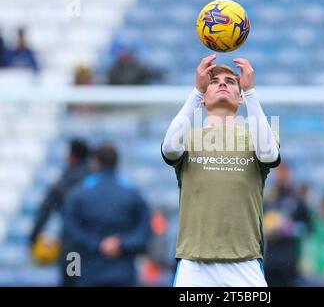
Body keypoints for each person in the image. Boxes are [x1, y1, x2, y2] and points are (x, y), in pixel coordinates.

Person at [161, 54, 281, 287]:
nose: (223, 83)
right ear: (204, 98)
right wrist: (196, 91)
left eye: (231, 81)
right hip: (194, 265)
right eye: (214, 82)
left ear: (241, 97)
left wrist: (252, 92)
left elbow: (269, 154)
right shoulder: (189, 138)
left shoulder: (256, 137)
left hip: (244, 264)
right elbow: (169, 148)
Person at [64, 144, 151, 286]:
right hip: (123, 273)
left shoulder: (80, 192)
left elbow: (70, 229)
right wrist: (122, 243)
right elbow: (144, 229)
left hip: (89, 273)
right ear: (116, 163)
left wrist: (98, 244)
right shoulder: (132, 193)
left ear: (95, 163)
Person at [29, 138, 90, 287]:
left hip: (73, 248)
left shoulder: (64, 181)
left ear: (71, 156)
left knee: (71, 281)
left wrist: (33, 237)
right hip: (96, 247)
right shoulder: (95, 178)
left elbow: (46, 210)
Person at [263, 165, 312, 287]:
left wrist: (291, 229)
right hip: (270, 259)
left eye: (284, 173)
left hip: (289, 260)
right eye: (279, 173)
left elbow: (308, 229)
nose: (281, 177)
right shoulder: (267, 199)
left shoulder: (297, 199)